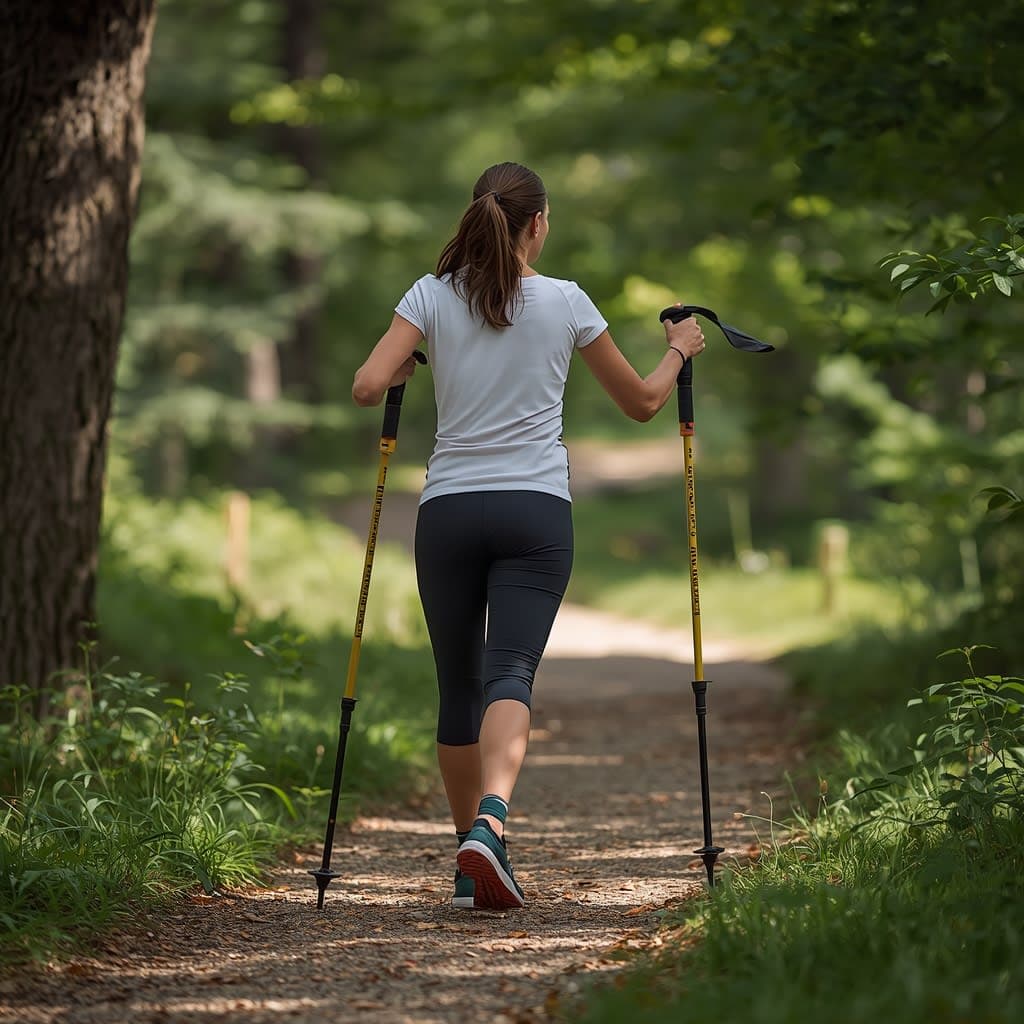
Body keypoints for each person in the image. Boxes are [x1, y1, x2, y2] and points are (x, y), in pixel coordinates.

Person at [352, 162, 705, 911]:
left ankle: (469, 862)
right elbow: (643, 402)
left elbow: (365, 384)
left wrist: (407, 367)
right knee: (510, 671)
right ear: (537, 225)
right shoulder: (567, 301)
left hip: (448, 510)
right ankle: (492, 823)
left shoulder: (430, 294)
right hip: (535, 511)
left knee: (458, 686)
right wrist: (680, 347)